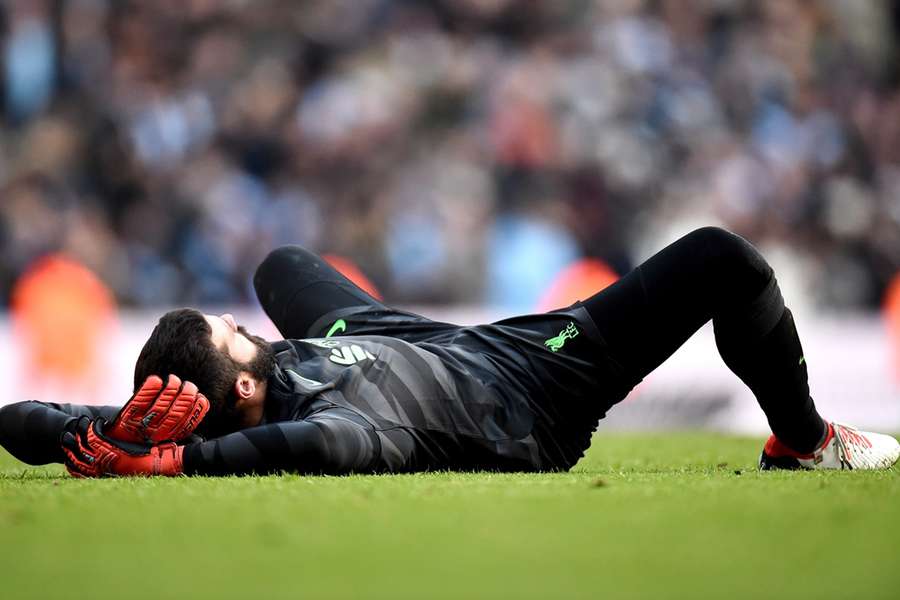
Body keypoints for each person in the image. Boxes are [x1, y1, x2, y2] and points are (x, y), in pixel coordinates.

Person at [1, 227, 897, 476]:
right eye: (240, 335)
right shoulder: (337, 422)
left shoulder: (270, 376)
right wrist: (177, 467)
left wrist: (117, 432)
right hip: (531, 382)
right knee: (723, 263)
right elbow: (323, 446)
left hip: (397, 340)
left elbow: (24, 422)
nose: (252, 324)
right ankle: (807, 441)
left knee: (279, 261)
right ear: (242, 381)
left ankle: (806, 438)